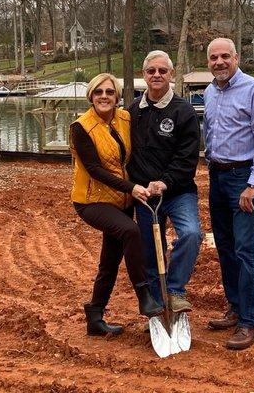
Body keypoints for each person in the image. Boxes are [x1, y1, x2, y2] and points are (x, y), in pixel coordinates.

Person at [70, 73, 162, 336]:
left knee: (110, 260)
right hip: (91, 200)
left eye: (109, 92)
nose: (104, 97)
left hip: (121, 200)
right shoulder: (81, 127)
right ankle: (144, 296)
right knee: (130, 231)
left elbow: (134, 155)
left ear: (117, 97)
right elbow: (95, 169)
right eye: (98, 92)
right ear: (91, 96)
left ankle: (95, 317)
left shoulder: (124, 119)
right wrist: (131, 187)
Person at [204, 38, 254, 350]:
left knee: (247, 251)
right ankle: (234, 308)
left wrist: (253, 183)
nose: (219, 62)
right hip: (217, 177)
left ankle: (249, 321)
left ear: (237, 57)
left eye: (224, 56)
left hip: (241, 179)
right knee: (226, 247)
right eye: (213, 57)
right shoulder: (209, 91)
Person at [127, 50, 202, 314]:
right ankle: (158, 311)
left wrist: (165, 182)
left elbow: (187, 158)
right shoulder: (133, 111)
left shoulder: (184, 111)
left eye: (162, 71)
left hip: (178, 192)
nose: (157, 75)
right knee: (150, 252)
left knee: (192, 234)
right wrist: (137, 186)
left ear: (171, 74)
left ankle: (175, 290)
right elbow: (127, 154)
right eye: (151, 71)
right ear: (144, 75)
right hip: (146, 196)